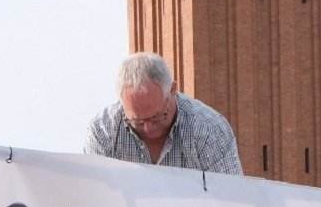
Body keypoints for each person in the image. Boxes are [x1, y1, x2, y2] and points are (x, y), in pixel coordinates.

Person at [85, 52, 244, 175]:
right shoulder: (103, 132)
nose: (148, 129)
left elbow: (232, 201)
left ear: (173, 90)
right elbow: (95, 198)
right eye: (137, 122)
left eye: (156, 117)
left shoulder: (209, 130)